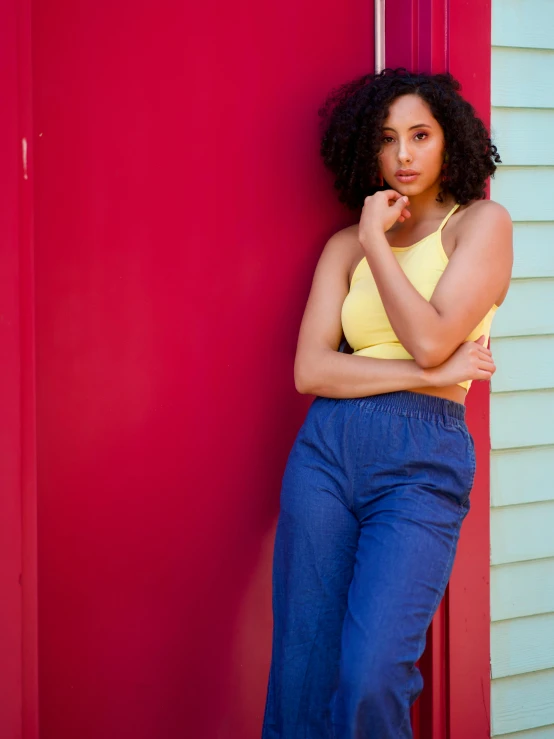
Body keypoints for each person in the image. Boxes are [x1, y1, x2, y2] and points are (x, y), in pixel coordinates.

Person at [261, 68, 513, 739]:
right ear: (365, 151)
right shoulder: (342, 245)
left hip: (421, 461)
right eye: (388, 138)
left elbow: (432, 338)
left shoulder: (479, 226)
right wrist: (425, 369)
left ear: (448, 140)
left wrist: (379, 241)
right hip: (325, 454)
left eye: (421, 135)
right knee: (301, 672)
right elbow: (310, 370)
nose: (404, 154)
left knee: (373, 672)